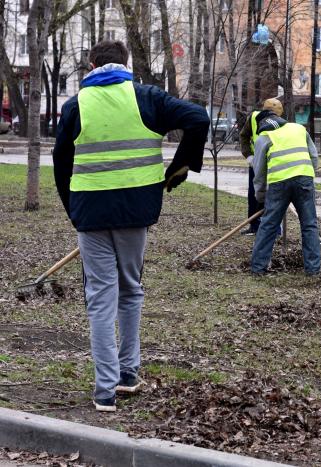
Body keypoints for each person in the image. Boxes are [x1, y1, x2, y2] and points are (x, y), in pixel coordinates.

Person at [52, 40, 209, 412]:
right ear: (126, 63)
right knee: (130, 290)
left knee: (100, 298)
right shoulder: (146, 97)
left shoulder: (75, 106)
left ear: (91, 65)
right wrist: (180, 168)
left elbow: (61, 163)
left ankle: (105, 389)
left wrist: (73, 209)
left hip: (90, 213)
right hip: (136, 213)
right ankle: (128, 374)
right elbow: (198, 118)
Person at [250, 108, 321, 275]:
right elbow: (314, 157)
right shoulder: (298, 129)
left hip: (278, 184)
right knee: (309, 225)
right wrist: (307, 175)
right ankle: (313, 270)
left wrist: (261, 196)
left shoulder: (263, 137)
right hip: (304, 179)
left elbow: (259, 171)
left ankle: (258, 268)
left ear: (262, 124)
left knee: (268, 225)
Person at [239, 98, 284, 236]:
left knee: (273, 196)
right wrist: (249, 156)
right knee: (254, 195)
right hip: (256, 164)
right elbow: (244, 136)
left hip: (273, 165)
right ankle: (254, 226)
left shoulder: (282, 124)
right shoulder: (252, 118)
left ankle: (275, 229)